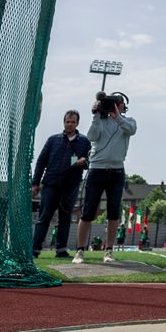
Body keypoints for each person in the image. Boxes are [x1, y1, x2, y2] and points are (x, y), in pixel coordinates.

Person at [72, 92, 136, 265]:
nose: (114, 106)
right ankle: (80, 251)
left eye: (117, 103)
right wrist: (96, 116)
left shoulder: (128, 121)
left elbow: (131, 131)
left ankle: (108, 250)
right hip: (97, 170)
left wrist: (117, 117)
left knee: (114, 212)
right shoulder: (100, 119)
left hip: (116, 171)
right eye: (111, 103)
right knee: (87, 212)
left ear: (123, 105)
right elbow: (92, 136)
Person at [30, 109, 90, 259]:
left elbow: (89, 162)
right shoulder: (53, 140)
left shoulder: (84, 142)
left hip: (70, 186)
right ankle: (35, 250)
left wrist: (82, 162)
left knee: (65, 219)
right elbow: (41, 161)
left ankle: (61, 250)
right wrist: (35, 183)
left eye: (72, 122)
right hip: (50, 184)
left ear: (77, 123)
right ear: (64, 122)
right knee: (44, 217)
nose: (69, 124)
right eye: (67, 122)